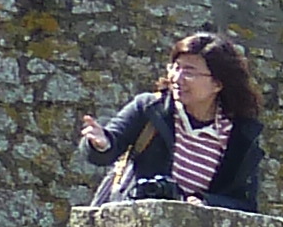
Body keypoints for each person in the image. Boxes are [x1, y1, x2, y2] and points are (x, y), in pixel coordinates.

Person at [81, 32, 265, 211]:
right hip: (131, 224)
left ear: (217, 84)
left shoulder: (239, 136)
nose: (177, 78)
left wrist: (205, 203)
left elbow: (244, 203)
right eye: (176, 67)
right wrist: (101, 144)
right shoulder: (150, 108)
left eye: (189, 72)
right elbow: (108, 148)